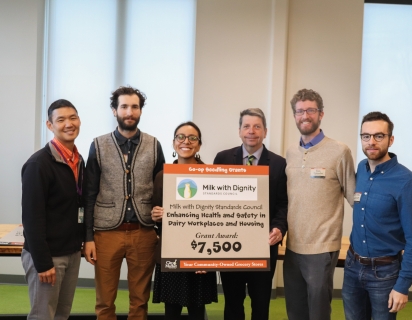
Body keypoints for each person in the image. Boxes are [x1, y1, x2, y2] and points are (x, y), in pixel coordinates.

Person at [83, 86, 165, 319]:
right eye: (124, 106)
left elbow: (162, 189)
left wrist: (161, 229)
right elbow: (89, 194)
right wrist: (88, 237)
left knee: (140, 301)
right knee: (105, 302)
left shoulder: (153, 144)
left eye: (135, 107)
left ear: (140, 111)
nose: (130, 112)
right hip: (107, 233)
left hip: (143, 232)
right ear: (114, 110)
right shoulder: (98, 145)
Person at [342, 112, 412, 319]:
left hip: (384, 274)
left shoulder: (407, 182)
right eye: (366, 136)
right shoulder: (360, 168)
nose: (371, 142)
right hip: (352, 266)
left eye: (379, 136)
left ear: (391, 140)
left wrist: (403, 286)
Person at [284, 89, 356, 320]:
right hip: (293, 244)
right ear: (294, 115)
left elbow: (355, 197)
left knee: (318, 311)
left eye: (311, 110)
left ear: (321, 114)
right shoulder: (291, 152)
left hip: (322, 246)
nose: (305, 115)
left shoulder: (339, 151)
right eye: (300, 111)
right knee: (295, 309)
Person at [213, 108, 288, 320]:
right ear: (239, 131)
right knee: (233, 305)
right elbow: (211, 201)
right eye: (246, 126)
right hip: (230, 246)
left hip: (263, 246)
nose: (251, 131)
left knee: (261, 305)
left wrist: (279, 228)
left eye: (257, 126)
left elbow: (283, 203)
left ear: (265, 131)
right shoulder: (223, 158)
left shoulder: (278, 163)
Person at [21, 99, 84, 320]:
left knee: (61, 315)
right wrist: (43, 262)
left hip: (72, 253)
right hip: (48, 257)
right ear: (50, 125)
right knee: (42, 316)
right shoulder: (38, 164)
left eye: (73, 117)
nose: (68, 124)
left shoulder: (78, 160)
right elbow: (31, 218)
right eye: (61, 120)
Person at [150, 121, 218, 319]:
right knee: (171, 311)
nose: (186, 141)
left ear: (199, 144)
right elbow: (157, 217)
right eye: (180, 137)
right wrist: (156, 215)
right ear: (173, 143)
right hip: (172, 251)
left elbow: (217, 218)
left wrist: (209, 259)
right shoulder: (162, 176)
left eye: (192, 138)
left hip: (201, 254)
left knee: (197, 312)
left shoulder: (212, 176)